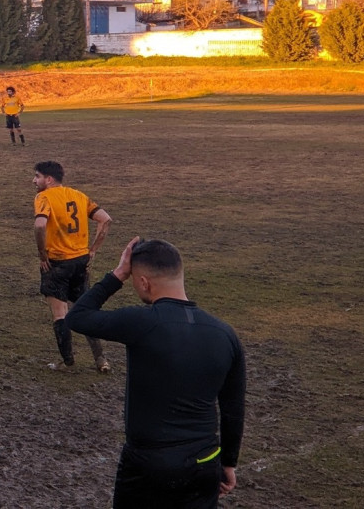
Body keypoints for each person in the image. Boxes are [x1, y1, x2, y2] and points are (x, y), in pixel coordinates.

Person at [67, 238, 247, 508]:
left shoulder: (141, 322)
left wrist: (117, 275)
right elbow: (233, 408)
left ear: (143, 282)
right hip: (205, 461)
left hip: (148, 464)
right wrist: (229, 462)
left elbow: (78, 316)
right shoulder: (226, 335)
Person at [32, 160, 111, 373]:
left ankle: (67, 361)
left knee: (60, 313)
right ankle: (101, 359)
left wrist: (42, 254)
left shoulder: (43, 197)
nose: (34, 181)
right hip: (80, 260)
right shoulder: (79, 195)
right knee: (85, 309)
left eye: (37, 176)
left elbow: (40, 224)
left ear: (48, 179)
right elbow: (105, 219)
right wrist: (92, 249)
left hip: (57, 262)